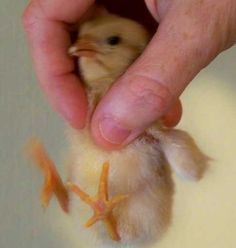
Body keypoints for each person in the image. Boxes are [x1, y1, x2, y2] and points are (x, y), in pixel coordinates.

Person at [22, 0, 236, 150]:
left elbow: (189, 165)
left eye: (112, 41)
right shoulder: (88, 104)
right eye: (83, 39)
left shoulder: (143, 117)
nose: (81, 46)